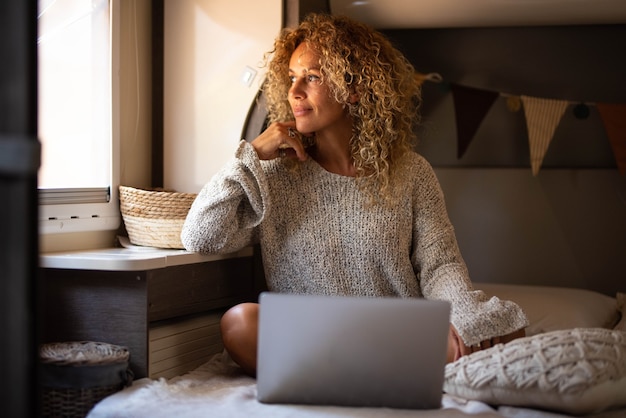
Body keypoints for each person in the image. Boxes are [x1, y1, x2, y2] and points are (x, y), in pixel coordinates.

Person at [181, 13, 528, 377]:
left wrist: (466, 319)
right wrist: (249, 155)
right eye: (292, 78)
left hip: (396, 332)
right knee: (239, 323)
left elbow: (440, 266)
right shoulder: (272, 175)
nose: (294, 91)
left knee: (507, 327)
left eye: (312, 77)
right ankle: (386, 372)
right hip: (314, 333)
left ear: (354, 88)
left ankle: (345, 373)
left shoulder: (412, 173)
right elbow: (200, 237)